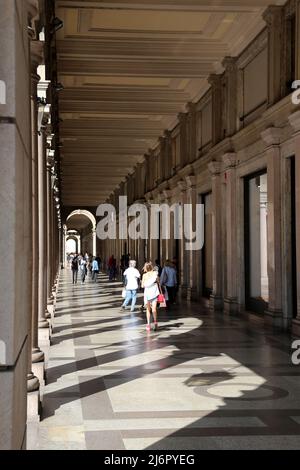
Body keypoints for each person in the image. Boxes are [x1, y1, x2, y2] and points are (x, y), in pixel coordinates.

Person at [141, 262, 160, 332]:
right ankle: (155, 323)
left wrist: (147, 283)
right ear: (151, 267)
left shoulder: (144, 275)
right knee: (154, 309)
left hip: (147, 295)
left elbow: (142, 286)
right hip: (154, 294)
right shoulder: (155, 274)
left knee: (148, 310)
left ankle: (148, 325)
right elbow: (158, 281)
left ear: (145, 268)